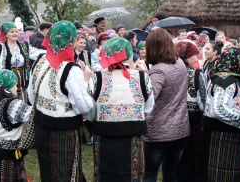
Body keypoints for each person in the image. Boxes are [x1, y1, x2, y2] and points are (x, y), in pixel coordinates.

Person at [27, 20, 93, 181]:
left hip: (42, 126)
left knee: (48, 171)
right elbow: (84, 106)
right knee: (67, 173)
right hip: (64, 132)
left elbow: (31, 95)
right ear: (72, 41)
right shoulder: (72, 69)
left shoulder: (40, 61)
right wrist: (86, 81)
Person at [87, 37, 154, 181]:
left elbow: (90, 111)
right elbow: (148, 108)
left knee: (105, 174)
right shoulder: (143, 77)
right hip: (132, 134)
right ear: (129, 54)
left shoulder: (97, 77)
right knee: (132, 175)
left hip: (104, 134)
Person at [143, 28, 190, 182]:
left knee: (150, 174)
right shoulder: (180, 64)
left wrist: (143, 76)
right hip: (181, 129)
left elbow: (148, 98)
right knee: (171, 174)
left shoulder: (157, 72)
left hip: (159, 133)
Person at [201, 47, 240, 182]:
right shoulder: (226, 80)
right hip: (222, 135)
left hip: (221, 132)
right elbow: (219, 109)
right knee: (221, 175)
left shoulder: (223, 76)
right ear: (237, 62)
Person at [0, 70, 32, 182]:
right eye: (14, 84)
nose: (16, 87)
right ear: (7, 86)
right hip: (6, 158)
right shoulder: (13, 105)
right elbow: (33, 116)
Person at [0, 22, 45, 104]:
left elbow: (36, 53)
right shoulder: (0, 47)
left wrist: (52, 53)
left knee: (23, 99)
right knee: (9, 100)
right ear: (6, 34)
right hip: (7, 79)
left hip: (22, 78)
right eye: (12, 32)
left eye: (16, 31)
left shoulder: (24, 46)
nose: (15, 34)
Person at [174, 41, 206, 182]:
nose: (197, 59)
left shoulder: (171, 72)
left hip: (174, 120)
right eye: (194, 55)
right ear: (187, 58)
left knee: (177, 156)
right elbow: (203, 101)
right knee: (193, 156)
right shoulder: (196, 74)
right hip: (193, 121)